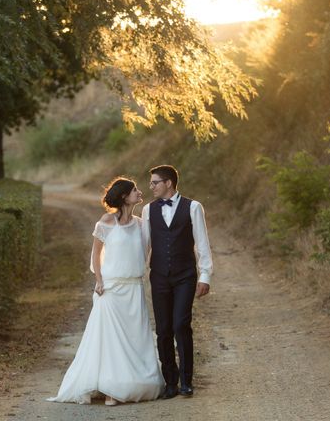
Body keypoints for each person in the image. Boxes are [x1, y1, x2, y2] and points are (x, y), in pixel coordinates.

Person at [47, 177, 164, 406]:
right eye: (134, 190)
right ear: (123, 196)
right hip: (111, 289)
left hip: (134, 288)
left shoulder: (142, 224)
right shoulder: (106, 221)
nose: (140, 193)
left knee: (135, 337)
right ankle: (110, 388)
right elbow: (96, 255)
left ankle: (132, 382)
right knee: (111, 340)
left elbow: (148, 251)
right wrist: (99, 281)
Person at [141, 165, 213, 399]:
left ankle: (186, 381)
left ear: (169, 183)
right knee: (163, 330)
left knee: (181, 325)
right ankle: (170, 382)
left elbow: (202, 244)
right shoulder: (147, 210)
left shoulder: (193, 207)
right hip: (159, 275)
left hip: (185, 276)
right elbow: (144, 246)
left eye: (155, 182)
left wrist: (205, 276)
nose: (151, 187)